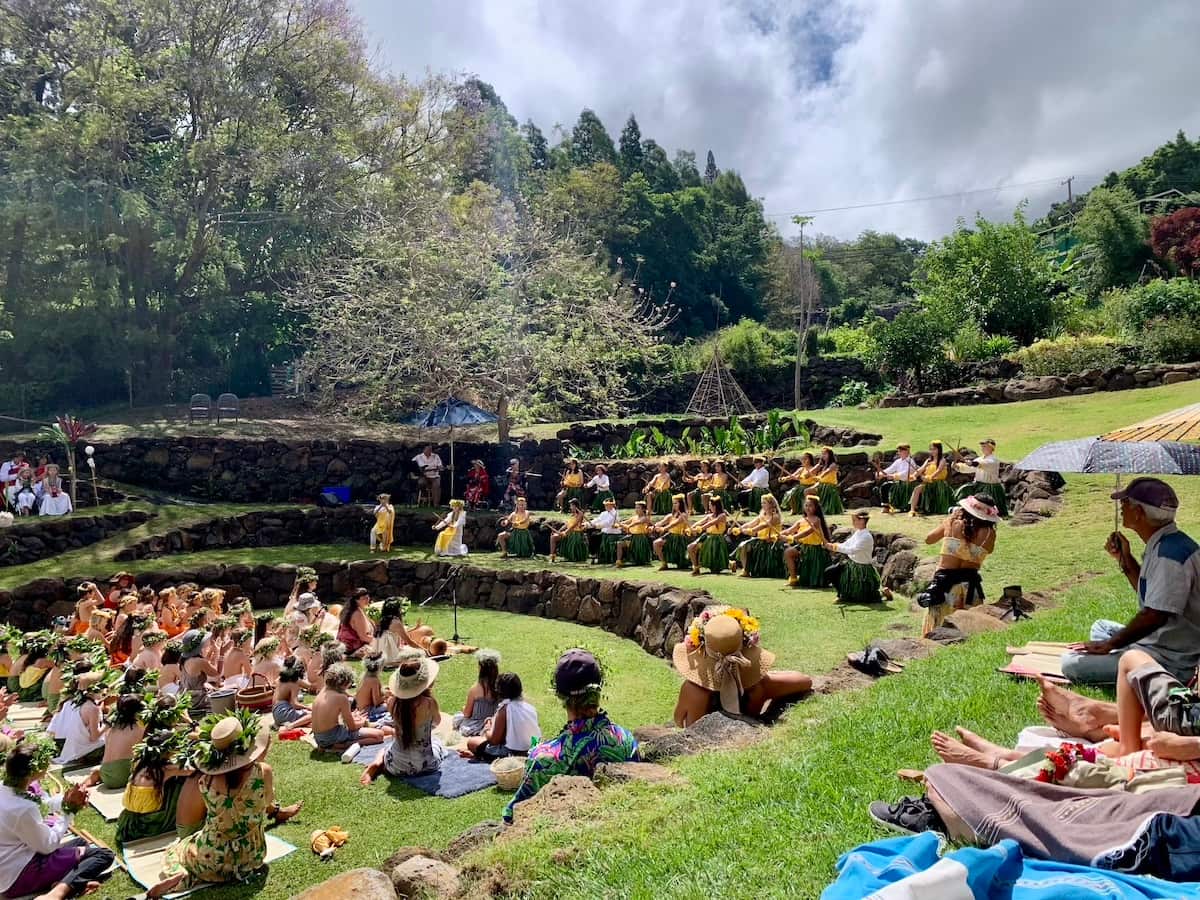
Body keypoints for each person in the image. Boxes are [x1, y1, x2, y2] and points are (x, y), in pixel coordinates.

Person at [1060, 477, 1200, 686]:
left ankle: (1135, 667)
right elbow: (1151, 594)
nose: (1121, 507)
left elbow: (1155, 616)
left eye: (1125, 502)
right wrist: (1124, 558)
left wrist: (1109, 645)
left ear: (1139, 512)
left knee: (1070, 664)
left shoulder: (1169, 557)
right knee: (1101, 626)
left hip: (1169, 659)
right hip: (1158, 641)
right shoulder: (1170, 543)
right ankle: (1121, 653)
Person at [147, 713, 301, 898]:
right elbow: (267, 802)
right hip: (252, 854)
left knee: (178, 849)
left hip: (212, 858)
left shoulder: (206, 781)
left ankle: (184, 876)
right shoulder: (263, 772)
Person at [502, 650, 638, 823]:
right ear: (598, 688)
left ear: (560, 695)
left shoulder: (543, 760)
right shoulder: (626, 739)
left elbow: (513, 815)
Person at [0, 733, 114, 900]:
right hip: (17, 875)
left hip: (11, 864)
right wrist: (70, 809)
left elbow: (41, 804)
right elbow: (48, 846)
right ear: (36, 770)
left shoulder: (6, 788)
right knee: (103, 855)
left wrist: (67, 799)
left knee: (81, 843)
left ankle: (64, 882)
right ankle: (57, 893)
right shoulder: (23, 808)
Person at [672, 606, 812, 727]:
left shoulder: (693, 691)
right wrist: (763, 674)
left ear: (703, 644)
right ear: (744, 642)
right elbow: (804, 680)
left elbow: (678, 720)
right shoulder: (761, 686)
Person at [915, 496, 999, 635]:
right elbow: (988, 550)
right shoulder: (990, 534)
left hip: (945, 587)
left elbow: (928, 539)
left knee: (939, 632)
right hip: (970, 587)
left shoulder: (952, 523)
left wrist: (949, 520)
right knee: (970, 631)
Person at [360, 653, 446, 784]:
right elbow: (437, 722)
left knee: (386, 749)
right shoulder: (429, 703)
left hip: (395, 765)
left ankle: (377, 763)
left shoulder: (392, 702)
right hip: (426, 765)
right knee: (437, 743)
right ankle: (379, 764)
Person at [310, 663, 388, 757]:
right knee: (379, 735)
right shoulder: (341, 698)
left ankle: (332, 745)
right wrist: (362, 722)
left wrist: (354, 718)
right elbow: (352, 727)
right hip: (331, 737)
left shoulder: (323, 692)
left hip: (318, 737)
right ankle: (341, 746)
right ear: (344, 683)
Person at [462, 673, 540, 760]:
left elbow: (494, 740)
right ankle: (480, 755)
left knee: (472, 742)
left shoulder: (505, 709)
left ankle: (481, 756)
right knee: (480, 740)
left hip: (512, 754)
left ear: (500, 691)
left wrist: (487, 727)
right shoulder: (529, 707)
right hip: (532, 750)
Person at [823, 510, 883, 604]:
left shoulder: (866, 537)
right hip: (851, 564)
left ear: (862, 521)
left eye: (854, 520)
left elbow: (852, 550)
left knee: (865, 598)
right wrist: (833, 545)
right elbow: (847, 544)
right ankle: (841, 594)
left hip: (862, 569)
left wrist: (834, 547)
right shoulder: (858, 532)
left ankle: (884, 593)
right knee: (829, 571)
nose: (853, 523)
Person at [782, 495, 833, 588]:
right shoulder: (801, 520)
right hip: (803, 548)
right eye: (806, 505)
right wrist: (779, 534)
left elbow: (807, 532)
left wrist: (793, 538)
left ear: (816, 507)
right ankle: (793, 579)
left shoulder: (817, 520)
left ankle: (814, 579)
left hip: (815, 550)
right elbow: (789, 530)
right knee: (788, 552)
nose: (808, 508)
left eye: (810, 506)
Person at [731, 494, 785, 578]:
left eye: (764, 503)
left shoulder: (775, 517)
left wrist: (752, 530)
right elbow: (751, 523)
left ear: (771, 504)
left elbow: (763, 525)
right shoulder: (762, 515)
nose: (762, 505)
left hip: (771, 542)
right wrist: (740, 529)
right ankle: (746, 570)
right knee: (743, 546)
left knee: (748, 545)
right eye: (762, 503)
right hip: (760, 540)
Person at [375, 598, 439, 667]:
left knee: (409, 649)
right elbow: (409, 642)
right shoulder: (396, 622)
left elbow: (400, 632)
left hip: (381, 655)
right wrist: (424, 650)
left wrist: (415, 628)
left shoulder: (383, 620)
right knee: (421, 653)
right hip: (391, 658)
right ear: (397, 610)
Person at [452, 649, 500, 737]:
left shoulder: (475, 689)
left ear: (481, 669)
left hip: (475, 725)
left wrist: (464, 709)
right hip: (494, 723)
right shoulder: (501, 687)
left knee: (458, 716)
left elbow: (467, 713)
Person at [953, 439, 1007, 516]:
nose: (982, 448)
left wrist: (972, 463)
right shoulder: (980, 459)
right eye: (982, 446)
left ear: (991, 448)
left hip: (990, 487)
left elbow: (983, 464)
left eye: (985, 446)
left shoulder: (993, 460)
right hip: (979, 485)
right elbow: (970, 468)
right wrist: (957, 466)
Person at [687, 494, 730, 575]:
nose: (709, 507)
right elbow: (700, 522)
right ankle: (696, 568)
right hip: (706, 537)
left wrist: (701, 528)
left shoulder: (722, 515)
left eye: (710, 505)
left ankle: (731, 564)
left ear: (715, 506)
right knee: (690, 547)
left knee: (714, 569)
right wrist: (691, 528)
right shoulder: (709, 515)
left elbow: (711, 523)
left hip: (717, 539)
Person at [909, 441, 952, 517]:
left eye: (934, 449)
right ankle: (912, 510)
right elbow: (921, 469)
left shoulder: (942, 460)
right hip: (928, 483)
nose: (932, 451)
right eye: (931, 449)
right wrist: (914, 475)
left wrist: (929, 477)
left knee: (918, 488)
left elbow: (938, 471)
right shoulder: (928, 460)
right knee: (917, 489)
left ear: (939, 450)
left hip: (938, 484)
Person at [874, 444, 917, 513]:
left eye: (900, 451)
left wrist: (893, 476)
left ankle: (906, 506)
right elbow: (890, 469)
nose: (898, 453)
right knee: (885, 486)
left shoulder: (911, 462)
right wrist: (881, 474)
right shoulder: (898, 461)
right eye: (898, 451)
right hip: (898, 483)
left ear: (906, 451)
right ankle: (886, 507)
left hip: (907, 485)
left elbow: (905, 474)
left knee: (889, 486)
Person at [271, 656, 311, 728]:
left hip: (275, 713)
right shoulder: (293, 682)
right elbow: (294, 704)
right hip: (283, 713)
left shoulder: (280, 679)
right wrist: (308, 708)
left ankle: (295, 722)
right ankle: (292, 725)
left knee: (305, 716)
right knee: (313, 715)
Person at [653, 494, 691, 571]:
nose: (674, 505)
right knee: (656, 543)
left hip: (679, 537)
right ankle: (664, 563)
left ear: (680, 504)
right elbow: (661, 522)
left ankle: (689, 562)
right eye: (673, 503)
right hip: (670, 535)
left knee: (681, 564)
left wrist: (664, 528)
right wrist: (654, 526)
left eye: (676, 503)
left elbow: (674, 524)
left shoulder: (684, 515)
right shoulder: (671, 515)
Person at [336, 588, 374, 658]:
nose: (367, 600)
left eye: (367, 597)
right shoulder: (357, 614)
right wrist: (378, 640)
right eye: (364, 598)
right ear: (356, 600)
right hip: (353, 648)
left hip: (349, 646)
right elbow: (363, 637)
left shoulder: (354, 610)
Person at [614, 500, 654, 568]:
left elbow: (636, 523)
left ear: (643, 509)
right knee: (619, 544)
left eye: (638, 508)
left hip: (641, 539)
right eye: (636, 508)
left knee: (639, 559)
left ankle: (641, 560)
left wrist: (626, 526)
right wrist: (618, 524)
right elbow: (625, 522)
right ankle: (618, 561)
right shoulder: (634, 517)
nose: (636, 509)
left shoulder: (645, 518)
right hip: (632, 538)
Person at [548, 499, 589, 564]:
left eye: (571, 506)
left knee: (554, 537)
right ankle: (552, 556)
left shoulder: (580, 515)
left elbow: (573, 526)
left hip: (575, 534)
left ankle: (573, 556)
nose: (570, 507)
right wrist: (559, 531)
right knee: (553, 537)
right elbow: (566, 525)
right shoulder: (572, 515)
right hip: (568, 533)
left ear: (575, 506)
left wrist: (565, 532)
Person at [807, 447, 844, 515]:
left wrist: (819, 477)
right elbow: (810, 472)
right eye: (822, 454)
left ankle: (816, 509)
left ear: (830, 455)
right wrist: (810, 471)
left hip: (829, 486)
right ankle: (810, 509)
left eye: (825, 454)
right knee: (807, 491)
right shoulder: (822, 465)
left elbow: (826, 472)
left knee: (810, 490)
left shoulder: (833, 465)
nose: (823, 455)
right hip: (820, 484)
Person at [589, 497, 625, 565]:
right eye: (605, 505)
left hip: (613, 535)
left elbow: (608, 523)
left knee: (596, 537)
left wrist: (597, 526)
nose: (606, 506)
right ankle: (593, 555)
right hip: (604, 533)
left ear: (612, 505)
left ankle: (605, 558)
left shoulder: (615, 514)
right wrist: (587, 524)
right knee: (593, 535)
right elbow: (597, 519)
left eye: (608, 505)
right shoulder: (603, 513)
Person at [355, 652, 388, 722]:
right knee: (392, 705)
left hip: (360, 708)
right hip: (368, 711)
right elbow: (376, 702)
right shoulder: (374, 680)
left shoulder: (365, 676)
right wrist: (386, 696)